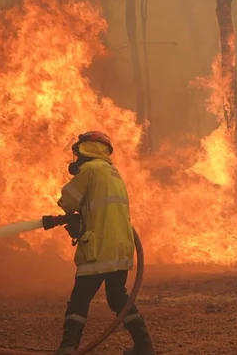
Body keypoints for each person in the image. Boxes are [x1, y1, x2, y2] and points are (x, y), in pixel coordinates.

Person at [52, 131, 155, 355]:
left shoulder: (89, 171)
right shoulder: (113, 173)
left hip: (98, 249)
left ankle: (68, 348)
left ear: (85, 149)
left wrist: (71, 211)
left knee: (80, 299)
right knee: (118, 298)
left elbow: (67, 202)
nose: (75, 156)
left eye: (77, 151)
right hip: (121, 247)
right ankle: (144, 345)